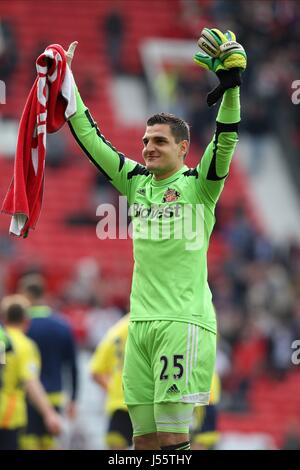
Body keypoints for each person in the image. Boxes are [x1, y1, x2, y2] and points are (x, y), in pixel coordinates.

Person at [65, 28, 247, 450]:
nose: (147, 148)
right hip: (140, 327)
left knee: (172, 439)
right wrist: (66, 83)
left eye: (159, 141)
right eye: (146, 140)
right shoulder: (135, 182)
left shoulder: (201, 186)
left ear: (183, 148)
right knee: (142, 442)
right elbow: (92, 140)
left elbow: (226, 140)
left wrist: (232, 88)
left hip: (181, 322)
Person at [18, 274, 78, 450]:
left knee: (27, 443)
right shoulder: (62, 325)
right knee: (49, 444)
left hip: (27, 397)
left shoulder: (20, 327)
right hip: (54, 395)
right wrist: (73, 398)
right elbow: (72, 366)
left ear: (25, 295)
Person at [0, 295, 61, 450]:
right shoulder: (24, 346)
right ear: (26, 321)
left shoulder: (2, 342)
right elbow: (31, 382)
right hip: (8, 416)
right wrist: (49, 413)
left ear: (4, 319)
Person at [90, 312, 132, 450]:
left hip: (119, 403)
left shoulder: (117, 330)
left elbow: (96, 371)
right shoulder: (158, 327)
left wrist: (114, 389)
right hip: (151, 404)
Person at [191, 372, 221, 450]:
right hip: (207, 404)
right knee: (200, 440)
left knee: (199, 440)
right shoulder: (212, 370)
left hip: (204, 405)